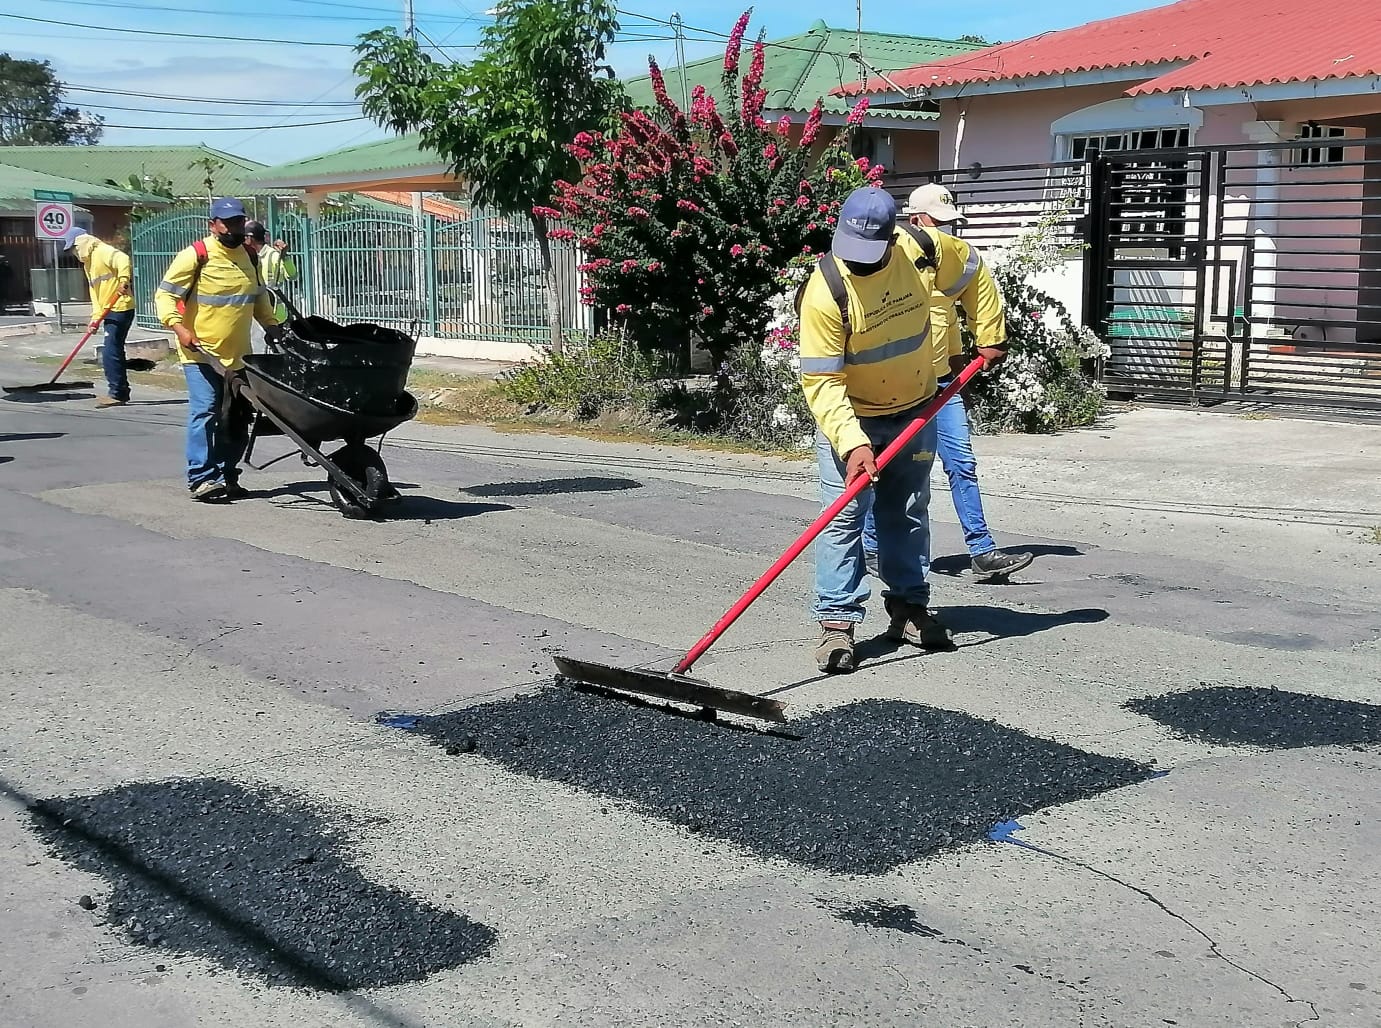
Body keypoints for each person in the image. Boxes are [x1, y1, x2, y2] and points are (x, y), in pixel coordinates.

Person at [798, 186, 1006, 673]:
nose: (860, 262)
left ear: (894, 239)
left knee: (909, 511)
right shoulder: (826, 290)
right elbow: (822, 381)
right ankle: (836, 626)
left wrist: (989, 331)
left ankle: (909, 608)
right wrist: (851, 444)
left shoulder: (924, 251)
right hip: (853, 415)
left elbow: (974, 270)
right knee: (843, 521)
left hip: (916, 409)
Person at [861, 183, 1034, 582]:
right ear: (916, 219)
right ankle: (872, 550)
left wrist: (961, 370)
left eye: (951, 224)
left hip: (943, 386)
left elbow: (950, 320)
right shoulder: (896, 265)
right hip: (902, 391)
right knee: (883, 471)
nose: (948, 231)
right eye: (940, 223)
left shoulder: (943, 268)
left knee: (962, 464)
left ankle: (982, 551)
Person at [154, 198, 282, 502]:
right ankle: (201, 478)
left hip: (238, 356)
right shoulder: (195, 256)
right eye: (226, 222)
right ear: (213, 225)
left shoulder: (249, 256)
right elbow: (164, 297)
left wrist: (272, 326)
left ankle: (227, 474)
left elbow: (259, 298)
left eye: (238, 222)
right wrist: (179, 327)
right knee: (207, 411)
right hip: (201, 354)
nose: (233, 227)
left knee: (237, 417)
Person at [62, 227, 136, 409]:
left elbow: (123, 259)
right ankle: (121, 391)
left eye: (74, 248)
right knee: (114, 350)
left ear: (82, 243)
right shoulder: (88, 264)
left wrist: (124, 281)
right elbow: (95, 294)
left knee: (110, 351)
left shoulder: (102, 251)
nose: (74, 253)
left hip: (120, 306)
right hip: (108, 310)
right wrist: (95, 319)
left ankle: (117, 393)